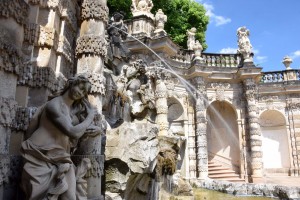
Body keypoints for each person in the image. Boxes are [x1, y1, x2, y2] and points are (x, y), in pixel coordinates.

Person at [21, 74, 100, 200]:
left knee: (70, 197)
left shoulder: (72, 112)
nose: (80, 93)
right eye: (80, 88)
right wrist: (90, 116)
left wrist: (88, 131)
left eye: (84, 92)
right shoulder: (54, 104)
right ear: (71, 84)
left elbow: (73, 135)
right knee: (41, 196)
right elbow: (71, 131)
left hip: (61, 157)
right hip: (39, 154)